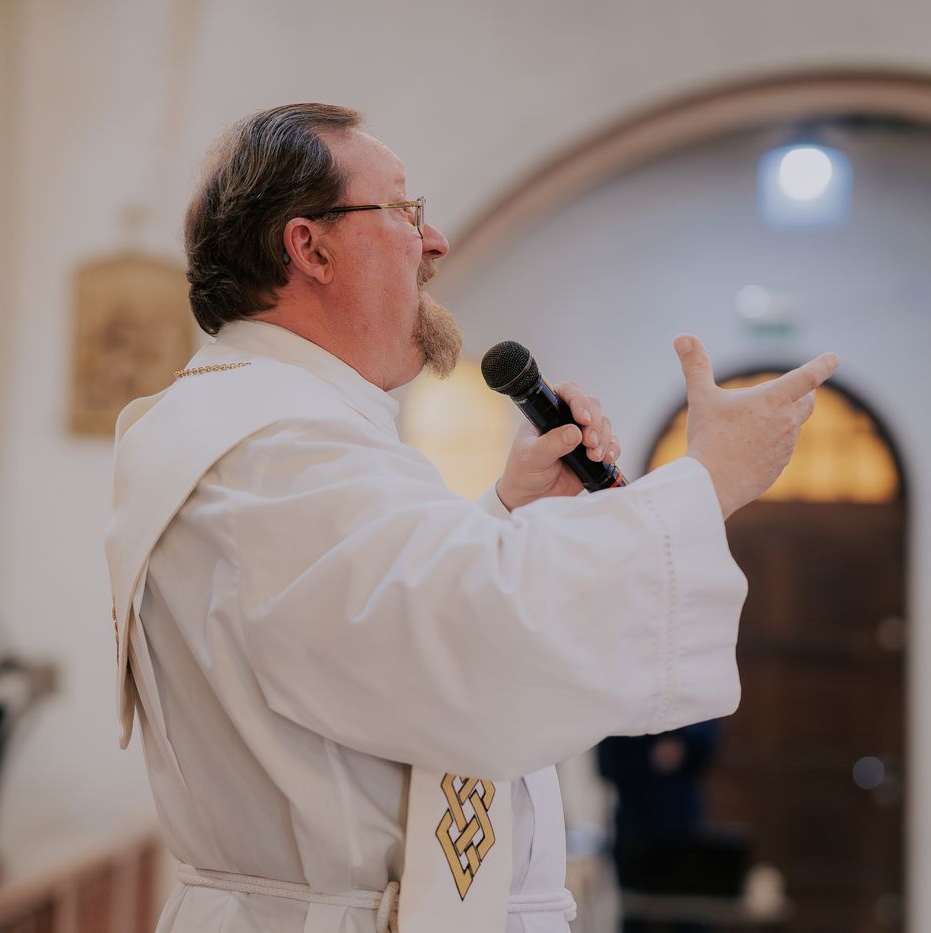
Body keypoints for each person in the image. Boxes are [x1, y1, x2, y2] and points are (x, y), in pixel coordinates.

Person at [104, 103, 839, 933]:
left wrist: (506, 512)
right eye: (403, 210)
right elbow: (477, 657)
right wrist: (709, 480)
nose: (436, 241)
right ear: (310, 248)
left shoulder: (277, 424)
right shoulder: (272, 443)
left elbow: (382, 630)